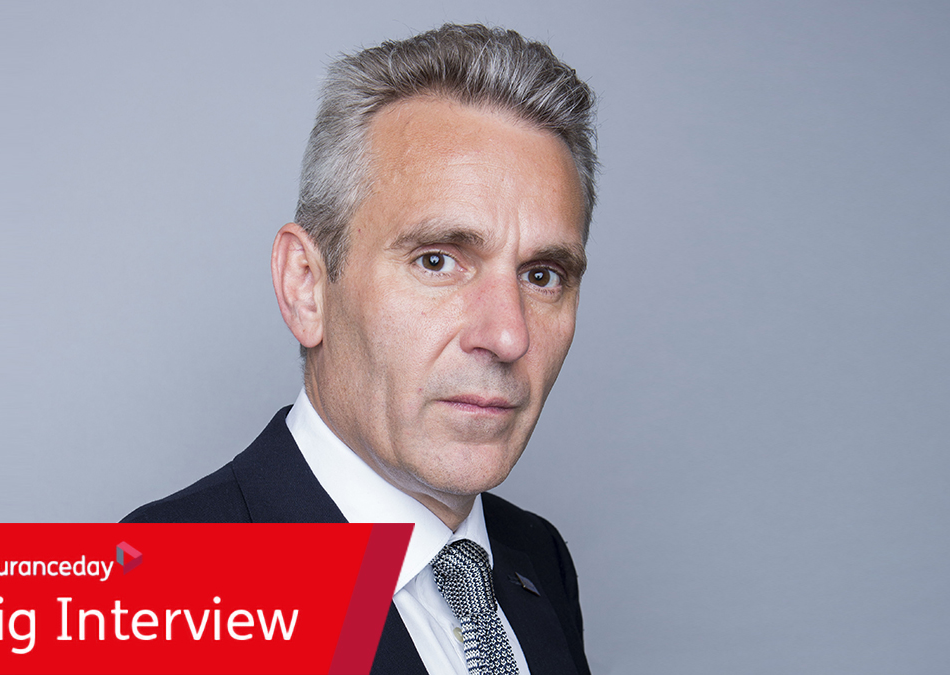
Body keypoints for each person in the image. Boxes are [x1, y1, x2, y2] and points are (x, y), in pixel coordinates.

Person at [124, 23, 597, 675]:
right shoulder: (161, 586)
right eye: (437, 260)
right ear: (307, 286)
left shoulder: (536, 557)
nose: (507, 335)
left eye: (542, 275)